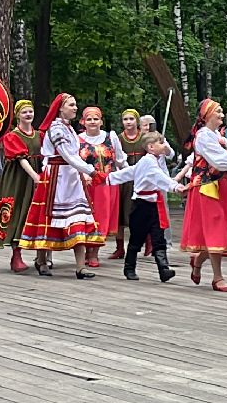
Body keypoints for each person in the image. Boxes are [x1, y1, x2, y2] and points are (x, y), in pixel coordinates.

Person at [17, 94, 102, 278]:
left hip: (71, 177)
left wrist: (86, 172)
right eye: (71, 105)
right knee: (48, 218)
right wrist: (91, 172)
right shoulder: (56, 128)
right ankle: (41, 260)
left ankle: (80, 267)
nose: (75, 108)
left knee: (78, 217)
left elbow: (75, 155)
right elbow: (66, 155)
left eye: (75, 104)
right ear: (61, 108)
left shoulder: (69, 128)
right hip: (57, 177)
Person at [181, 97, 227, 292]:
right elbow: (222, 160)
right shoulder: (203, 136)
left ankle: (198, 262)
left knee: (219, 231)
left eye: (222, 111)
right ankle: (217, 277)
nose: (221, 114)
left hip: (222, 186)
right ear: (206, 115)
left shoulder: (217, 136)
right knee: (216, 230)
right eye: (218, 111)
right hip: (207, 187)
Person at [106, 131, 178, 282]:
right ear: (151, 147)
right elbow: (158, 177)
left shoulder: (154, 160)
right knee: (137, 238)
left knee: (159, 237)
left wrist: (111, 178)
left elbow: (131, 172)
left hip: (154, 205)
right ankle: (129, 268)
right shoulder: (148, 162)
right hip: (141, 205)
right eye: (161, 143)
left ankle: (163, 269)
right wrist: (175, 187)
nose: (164, 145)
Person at [0, 100, 42, 273]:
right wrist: (34, 175)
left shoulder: (39, 135)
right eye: (24, 112)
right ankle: (16, 254)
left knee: (34, 211)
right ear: (18, 115)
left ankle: (41, 255)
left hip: (36, 174)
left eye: (30, 111)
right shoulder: (13, 136)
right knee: (17, 209)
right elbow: (21, 159)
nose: (28, 115)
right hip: (18, 178)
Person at [76, 106, 126, 269]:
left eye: (95, 118)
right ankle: (84, 251)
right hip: (86, 185)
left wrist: (130, 174)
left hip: (105, 185)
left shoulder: (110, 137)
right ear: (83, 122)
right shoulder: (78, 139)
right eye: (89, 119)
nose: (92, 122)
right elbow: (73, 161)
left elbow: (119, 160)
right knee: (84, 217)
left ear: (101, 121)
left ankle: (94, 253)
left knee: (101, 218)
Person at [113, 109, 151, 259]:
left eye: (131, 119)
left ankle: (149, 244)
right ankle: (119, 248)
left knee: (142, 211)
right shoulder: (119, 138)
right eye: (125, 119)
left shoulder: (145, 138)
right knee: (121, 213)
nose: (128, 122)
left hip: (141, 178)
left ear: (137, 121)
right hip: (124, 179)